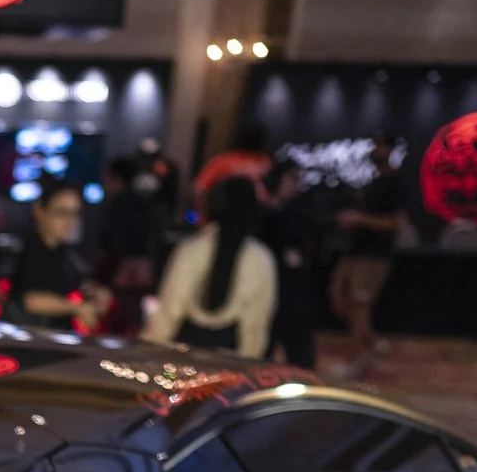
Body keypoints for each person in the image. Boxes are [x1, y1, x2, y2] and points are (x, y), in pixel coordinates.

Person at [146, 177, 277, 356]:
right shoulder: (261, 259)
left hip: (182, 354)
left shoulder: (192, 249)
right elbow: (254, 328)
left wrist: (151, 349)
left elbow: (169, 312)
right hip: (230, 360)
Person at [329, 134, 407, 376]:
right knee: (338, 299)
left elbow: (398, 223)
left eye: (380, 145)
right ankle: (371, 342)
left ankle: (356, 358)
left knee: (359, 304)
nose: (375, 150)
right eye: (373, 145)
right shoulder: (372, 182)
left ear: (390, 149)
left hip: (375, 255)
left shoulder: (396, 183)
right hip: (355, 250)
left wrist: (360, 219)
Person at [8, 182, 111, 333]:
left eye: (74, 214)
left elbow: (76, 281)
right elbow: (30, 301)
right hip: (30, 338)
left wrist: (96, 292)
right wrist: (76, 308)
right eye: (62, 213)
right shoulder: (29, 249)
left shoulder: (63, 252)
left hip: (57, 338)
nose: (70, 221)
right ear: (40, 211)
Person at [257, 159, 325, 367]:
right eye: (291, 179)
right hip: (264, 296)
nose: (296, 184)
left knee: (301, 358)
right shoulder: (261, 217)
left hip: (294, 295)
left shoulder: (302, 215)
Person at [97, 154, 162, 333]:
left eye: (107, 179)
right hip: (145, 276)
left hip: (120, 276)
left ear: (116, 180)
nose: (104, 185)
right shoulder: (147, 205)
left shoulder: (117, 207)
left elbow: (113, 244)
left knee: (115, 324)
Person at [192, 122, 272, 204]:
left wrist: (201, 216)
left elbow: (199, 189)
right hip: (228, 212)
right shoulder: (265, 163)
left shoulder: (222, 161)